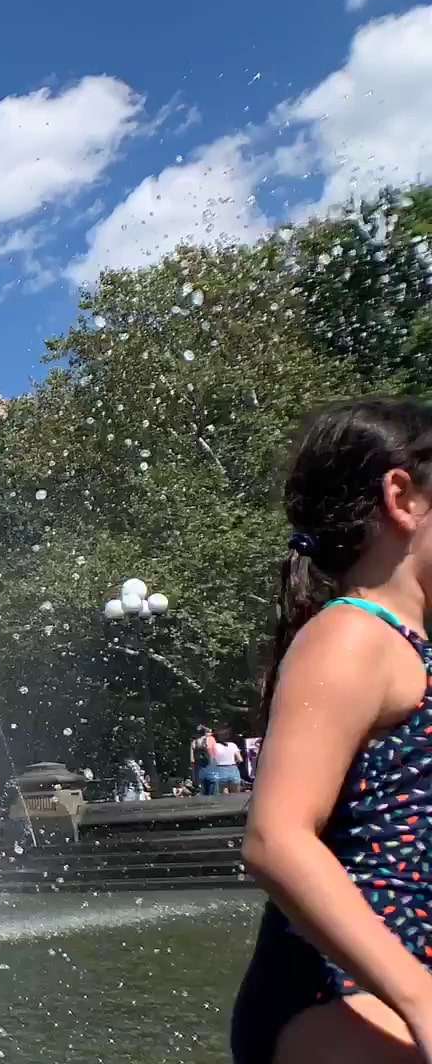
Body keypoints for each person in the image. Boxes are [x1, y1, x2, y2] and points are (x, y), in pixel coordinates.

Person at [232, 398, 432, 1064]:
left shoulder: (407, 644)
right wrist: (420, 998)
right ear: (401, 496)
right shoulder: (352, 636)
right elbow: (275, 838)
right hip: (346, 991)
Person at [210, 725, 247, 794]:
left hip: (219, 770)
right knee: (235, 795)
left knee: (223, 797)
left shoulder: (214, 746)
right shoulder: (233, 745)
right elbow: (240, 759)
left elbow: (211, 760)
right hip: (233, 770)